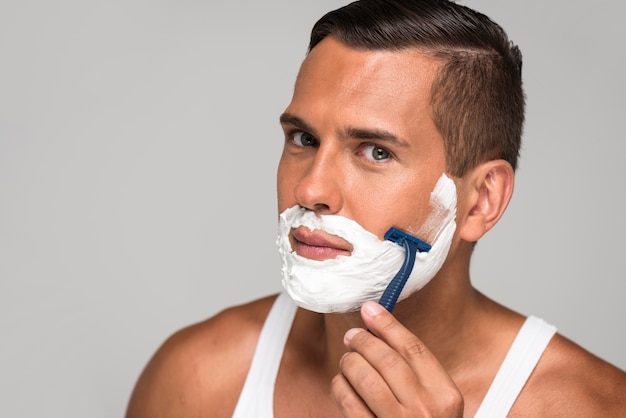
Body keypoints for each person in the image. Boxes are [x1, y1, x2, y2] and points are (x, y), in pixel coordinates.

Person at [125, 0, 626, 416]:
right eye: (303, 138)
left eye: (376, 151)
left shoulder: (589, 406)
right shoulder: (195, 380)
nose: (310, 190)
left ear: (481, 201)